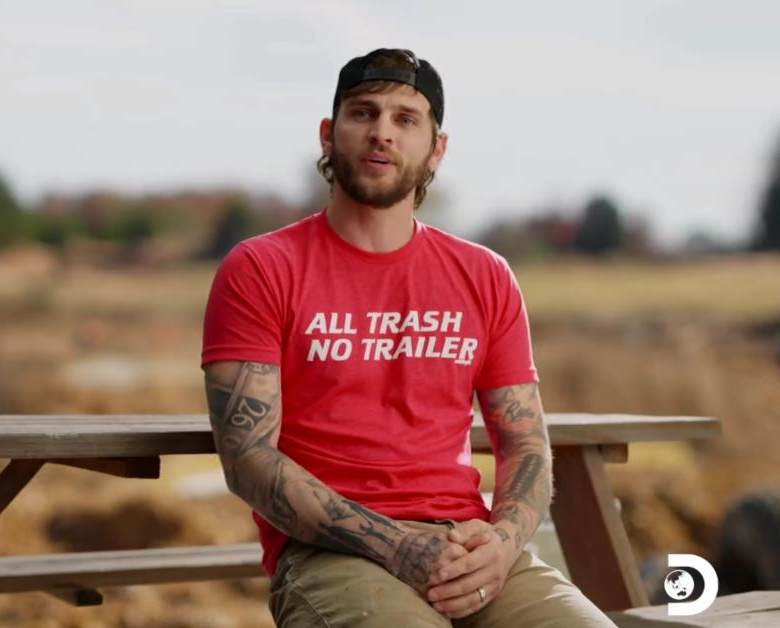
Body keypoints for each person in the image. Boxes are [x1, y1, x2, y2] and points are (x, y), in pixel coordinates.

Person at [200, 48, 616, 627]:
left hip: (470, 547)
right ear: (329, 133)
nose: (381, 133)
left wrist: (502, 545)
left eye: (406, 119)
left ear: (437, 148)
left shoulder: (485, 275)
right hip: (335, 556)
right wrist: (395, 545)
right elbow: (247, 458)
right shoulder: (262, 268)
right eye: (363, 113)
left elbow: (526, 445)